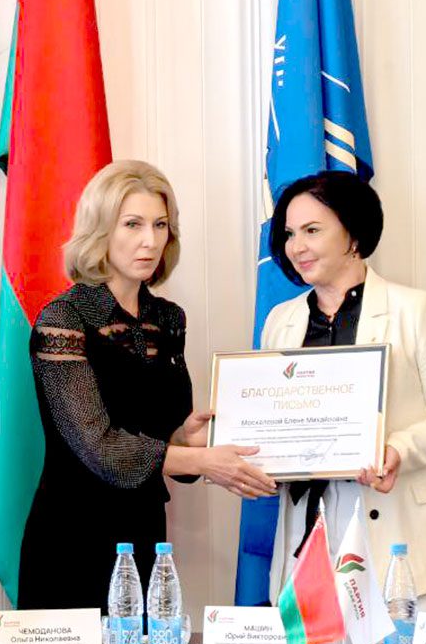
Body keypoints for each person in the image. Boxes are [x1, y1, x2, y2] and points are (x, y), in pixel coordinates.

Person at [17, 160, 276, 610]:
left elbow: (159, 434)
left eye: (160, 225)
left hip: (145, 533)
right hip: (72, 538)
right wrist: (202, 459)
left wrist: (186, 437)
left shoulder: (168, 319)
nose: (151, 241)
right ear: (100, 231)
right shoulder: (63, 320)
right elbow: (101, 449)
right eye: (133, 224)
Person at [259, 171, 426, 613]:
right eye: (289, 234)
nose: (296, 246)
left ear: (353, 234)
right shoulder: (281, 321)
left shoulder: (414, 310)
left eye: (312, 230)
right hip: (309, 530)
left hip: (403, 530)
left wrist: (398, 448)